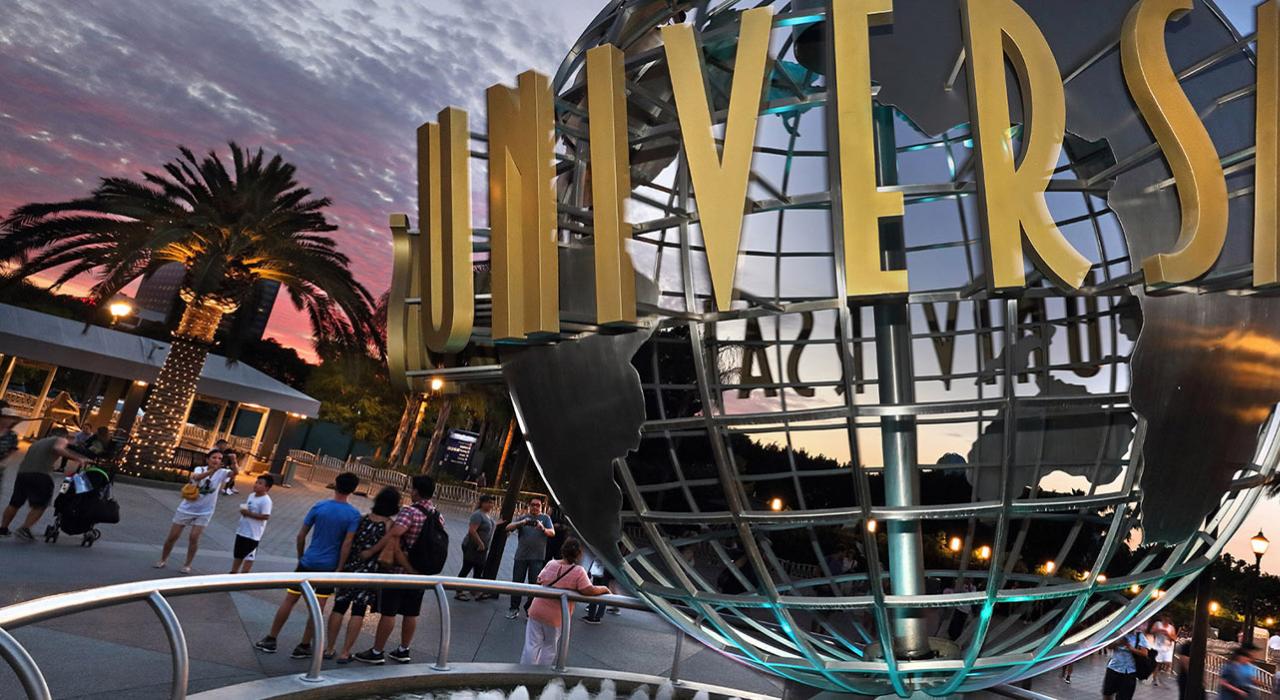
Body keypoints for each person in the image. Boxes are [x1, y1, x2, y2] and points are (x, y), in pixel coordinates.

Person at [254, 471, 362, 659]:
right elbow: (347, 544)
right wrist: (340, 567)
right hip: (328, 567)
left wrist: (301, 556)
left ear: (335, 485)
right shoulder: (353, 515)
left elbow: (301, 535)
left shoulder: (319, 506)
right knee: (317, 606)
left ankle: (271, 638)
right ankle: (304, 645)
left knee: (290, 599)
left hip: (308, 561)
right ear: (353, 490)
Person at [354, 475, 444, 665]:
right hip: (422, 574)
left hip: (400, 572)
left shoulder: (409, 512)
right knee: (411, 613)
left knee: (389, 612)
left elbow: (394, 535)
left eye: (412, 489)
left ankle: (377, 651)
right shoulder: (437, 515)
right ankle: (403, 650)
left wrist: (371, 550)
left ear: (416, 491)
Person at [324, 486, 401, 663]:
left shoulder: (362, 519)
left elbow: (348, 542)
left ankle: (329, 648)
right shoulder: (390, 525)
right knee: (358, 610)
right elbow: (389, 546)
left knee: (339, 607)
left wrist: (341, 567)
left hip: (350, 568)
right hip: (369, 572)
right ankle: (345, 652)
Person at [520, 537, 610, 665]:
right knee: (549, 647)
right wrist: (604, 589)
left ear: (563, 551)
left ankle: (524, 673)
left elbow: (539, 580)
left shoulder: (551, 564)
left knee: (531, 644)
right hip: (557, 616)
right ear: (579, 554)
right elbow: (588, 590)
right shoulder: (578, 571)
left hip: (537, 610)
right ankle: (539, 676)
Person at [154, 449, 232, 573]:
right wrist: (212, 471)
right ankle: (163, 559)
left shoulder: (222, 472)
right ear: (207, 459)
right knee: (173, 536)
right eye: (214, 458)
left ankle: (187, 564)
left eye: (219, 458)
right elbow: (196, 477)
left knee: (194, 537)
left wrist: (234, 461)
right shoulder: (199, 469)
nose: (217, 460)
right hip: (187, 508)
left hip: (205, 511)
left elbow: (235, 473)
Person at [0, 428, 86, 540]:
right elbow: (57, 448)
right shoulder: (60, 439)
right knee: (41, 504)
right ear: (64, 436)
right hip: (42, 474)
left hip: (23, 473)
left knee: (15, 503)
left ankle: (3, 529)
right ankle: (25, 528)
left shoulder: (37, 443)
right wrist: (78, 459)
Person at [506, 496, 555, 619]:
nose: (535, 507)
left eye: (537, 505)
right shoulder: (524, 518)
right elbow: (508, 528)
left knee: (534, 585)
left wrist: (542, 528)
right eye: (533, 504)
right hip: (521, 556)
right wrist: (521, 523)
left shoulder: (545, 518)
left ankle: (530, 610)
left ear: (541, 506)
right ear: (529, 506)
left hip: (537, 558)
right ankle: (513, 608)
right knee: (517, 583)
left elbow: (552, 533)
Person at [229, 474, 275, 574]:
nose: (256, 485)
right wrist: (244, 511)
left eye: (260, 483)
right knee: (238, 554)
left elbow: (265, 516)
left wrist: (249, 514)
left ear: (266, 488)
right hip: (242, 530)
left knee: (249, 556)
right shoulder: (251, 495)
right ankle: (233, 572)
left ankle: (244, 574)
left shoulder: (266, 501)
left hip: (253, 534)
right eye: (256, 482)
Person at [455, 494, 496, 600]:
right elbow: (472, 530)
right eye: (488, 502)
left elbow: (491, 526)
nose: (491, 505)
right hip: (472, 546)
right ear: (482, 503)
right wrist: (480, 543)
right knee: (467, 567)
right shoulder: (478, 515)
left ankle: (475, 590)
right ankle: (458, 591)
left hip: (482, 549)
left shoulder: (487, 515)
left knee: (479, 569)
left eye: (492, 502)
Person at [1103, 628, 1148, 700]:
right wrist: (1117, 643)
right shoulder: (1117, 634)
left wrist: (1130, 647)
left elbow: (1144, 653)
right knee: (1107, 693)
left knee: (1125, 697)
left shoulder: (1139, 636)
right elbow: (1108, 647)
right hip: (1113, 668)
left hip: (1129, 671)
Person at [1151, 614, 1175, 685]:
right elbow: (1152, 631)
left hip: (1167, 647)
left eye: (1168, 619)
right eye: (1165, 619)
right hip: (1158, 646)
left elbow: (1174, 638)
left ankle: (1162, 675)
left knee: (1168, 663)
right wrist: (1159, 630)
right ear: (1162, 618)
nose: (1166, 620)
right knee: (1157, 663)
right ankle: (1154, 678)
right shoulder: (1158, 624)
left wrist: (1168, 634)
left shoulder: (1171, 627)